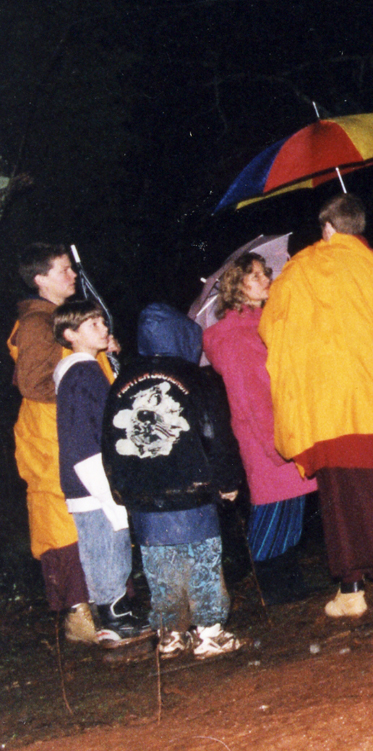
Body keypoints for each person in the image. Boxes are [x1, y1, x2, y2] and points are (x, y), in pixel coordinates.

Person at [260, 193, 373, 619]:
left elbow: (271, 328)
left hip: (330, 405)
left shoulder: (298, 270)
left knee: (346, 500)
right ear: (359, 228)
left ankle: (352, 590)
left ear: (326, 229)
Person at [103, 303, 247, 659]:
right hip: (192, 489)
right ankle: (209, 632)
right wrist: (227, 479)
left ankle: (169, 633)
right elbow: (216, 434)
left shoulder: (121, 381)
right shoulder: (197, 378)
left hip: (143, 496)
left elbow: (108, 440)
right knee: (203, 559)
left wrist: (121, 490)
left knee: (159, 564)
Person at [201, 253, 319, 605]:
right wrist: (275, 445)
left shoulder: (263, 323)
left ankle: (289, 584)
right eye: (255, 276)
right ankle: (273, 588)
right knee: (273, 510)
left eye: (266, 272)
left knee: (291, 505)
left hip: (284, 424)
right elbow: (250, 397)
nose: (267, 278)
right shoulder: (234, 336)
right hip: (265, 434)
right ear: (237, 287)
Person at [8, 244, 96, 643]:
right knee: (62, 522)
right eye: (64, 270)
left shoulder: (56, 320)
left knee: (84, 517)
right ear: (40, 279)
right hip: (50, 436)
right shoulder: (36, 324)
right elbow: (34, 383)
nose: (72, 276)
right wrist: (81, 388)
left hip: (67, 431)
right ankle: (80, 617)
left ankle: (99, 607)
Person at [52, 299, 150, 646]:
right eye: (92, 324)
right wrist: (107, 491)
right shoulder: (80, 374)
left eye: (102, 322)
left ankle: (117, 616)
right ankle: (112, 621)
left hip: (95, 481)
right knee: (106, 550)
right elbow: (84, 440)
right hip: (93, 483)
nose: (104, 327)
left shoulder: (89, 369)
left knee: (111, 547)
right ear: (70, 334)